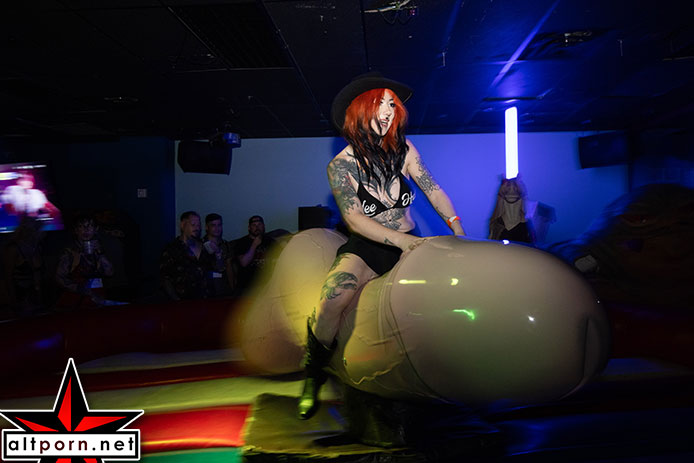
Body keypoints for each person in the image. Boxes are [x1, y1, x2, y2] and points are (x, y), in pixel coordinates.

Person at [297, 72, 466, 420]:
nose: (389, 110)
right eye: (381, 103)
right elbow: (355, 219)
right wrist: (404, 243)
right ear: (361, 109)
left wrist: (458, 229)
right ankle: (313, 372)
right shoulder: (340, 166)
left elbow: (433, 190)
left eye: (392, 104)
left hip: (411, 241)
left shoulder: (405, 149)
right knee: (331, 299)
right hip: (368, 247)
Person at [55, 215, 115, 308]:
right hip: (76, 298)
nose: (86, 230)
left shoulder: (100, 249)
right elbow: (59, 277)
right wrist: (79, 288)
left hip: (97, 296)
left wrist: (100, 254)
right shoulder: (70, 252)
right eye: (81, 226)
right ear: (76, 230)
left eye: (90, 226)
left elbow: (110, 272)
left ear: (96, 229)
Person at [159, 211, 209, 300]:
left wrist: (218, 254)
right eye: (193, 224)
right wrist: (176, 300)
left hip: (204, 299)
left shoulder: (204, 247)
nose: (197, 228)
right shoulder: (172, 249)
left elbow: (215, 269)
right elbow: (165, 278)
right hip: (182, 300)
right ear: (182, 225)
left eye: (198, 225)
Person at [233, 215, 275, 292]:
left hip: (267, 285)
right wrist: (254, 245)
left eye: (259, 224)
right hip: (248, 286)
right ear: (249, 228)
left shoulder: (270, 241)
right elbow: (244, 263)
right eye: (254, 225)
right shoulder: (241, 243)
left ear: (264, 226)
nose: (257, 227)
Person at [202, 213, 235, 297]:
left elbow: (229, 267)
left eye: (219, 225)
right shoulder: (200, 244)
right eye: (213, 225)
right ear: (207, 227)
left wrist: (232, 288)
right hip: (205, 289)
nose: (217, 228)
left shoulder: (226, 245)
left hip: (223, 289)